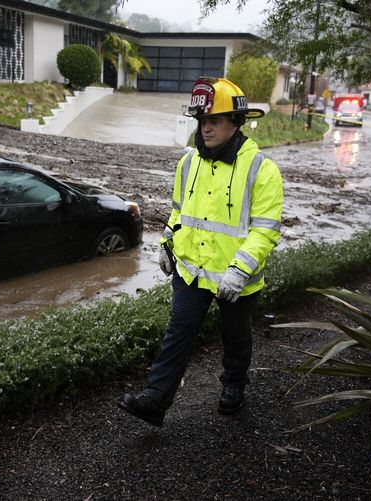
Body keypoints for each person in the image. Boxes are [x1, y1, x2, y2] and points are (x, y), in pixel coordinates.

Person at [118, 77, 283, 426]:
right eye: (202, 121)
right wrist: (166, 241)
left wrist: (239, 270)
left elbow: (265, 230)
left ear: (235, 122)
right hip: (191, 270)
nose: (206, 128)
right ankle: (155, 399)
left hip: (235, 278)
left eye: (214, 121)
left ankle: (234, 385)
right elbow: (180, 210)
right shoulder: (188, 163)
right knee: (178, 334)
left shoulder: (261, 169)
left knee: (235, 335)